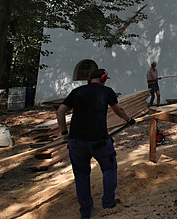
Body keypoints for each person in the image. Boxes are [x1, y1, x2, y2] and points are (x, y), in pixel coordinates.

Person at [57, 68, 135, 218]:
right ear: (104, 78)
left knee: (81, 175)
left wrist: (64, 134)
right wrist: (129, 120)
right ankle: (108, 203)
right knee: (109, 169)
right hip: (99, 141)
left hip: (76, 142)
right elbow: (118, 109)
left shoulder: (77, 92)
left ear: (88, 80)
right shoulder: (107, 92)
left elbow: (60, 112)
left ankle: (85, 211)